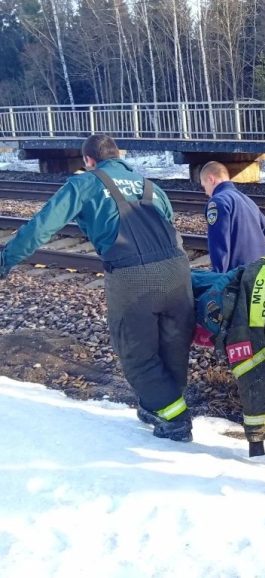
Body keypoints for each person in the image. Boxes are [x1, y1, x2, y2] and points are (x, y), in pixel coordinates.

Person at [0, 134, 195, 442]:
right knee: (173, 343)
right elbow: (169, 224)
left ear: (89, 160)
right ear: (119, 155)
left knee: (136, 352)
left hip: (132, 277)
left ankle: (175, 419)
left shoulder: (84, 184)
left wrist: (5, 259)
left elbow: (41, 227)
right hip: (178, 269)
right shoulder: (151, 187)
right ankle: (158, 404)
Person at [200, 161, 265, 273]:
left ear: (211, 179)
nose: (206, 192)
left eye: (204, 186)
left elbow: (219, 243)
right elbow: (264, 222)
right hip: (262, 270)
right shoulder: (245, 198)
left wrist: (217, 275)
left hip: (240, 274)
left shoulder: (217, 202)